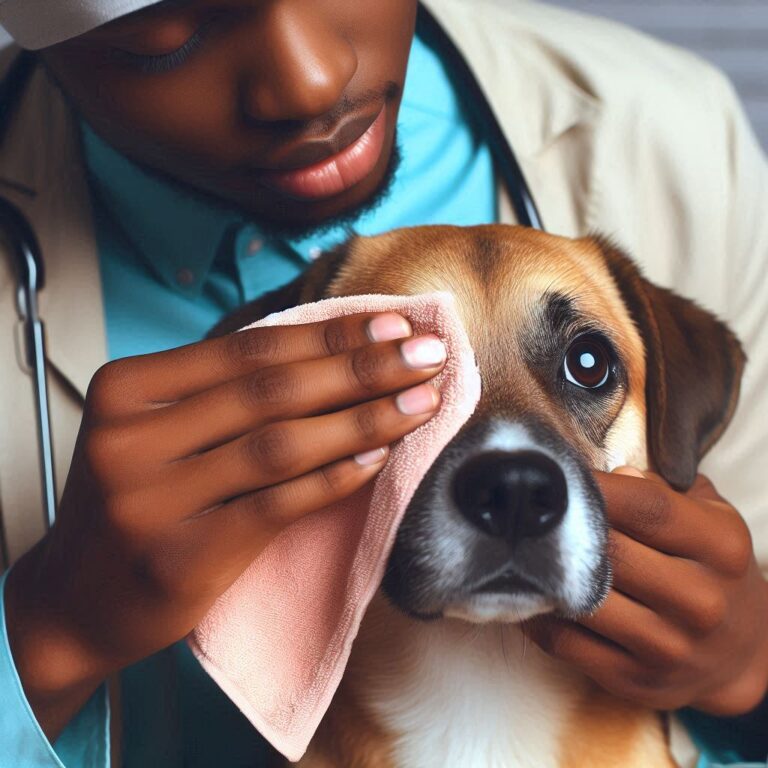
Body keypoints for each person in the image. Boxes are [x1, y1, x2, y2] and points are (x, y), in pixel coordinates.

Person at [0, 0, 766, 766]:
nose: (309, 82)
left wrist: (752, 666)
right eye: (165, 31)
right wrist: (53, 629)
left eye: (587, 366)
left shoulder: (678, 135)